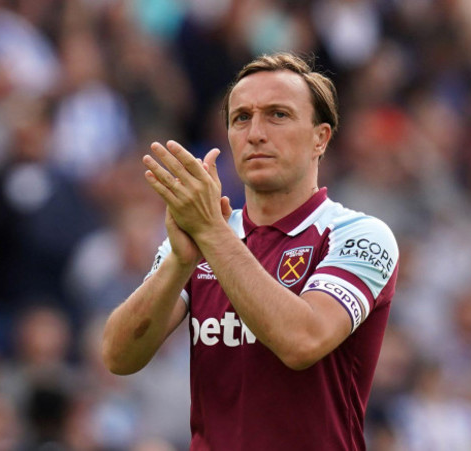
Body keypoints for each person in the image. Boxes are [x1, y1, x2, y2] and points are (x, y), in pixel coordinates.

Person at [102, 52, 399, 450]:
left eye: (278, 114)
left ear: (320, 138)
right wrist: (178, 262)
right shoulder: (205, 237)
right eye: (241, 117)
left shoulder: (357, 234)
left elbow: (302, 341)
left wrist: (210, 233)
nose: (256, 133)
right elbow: (119, 357)